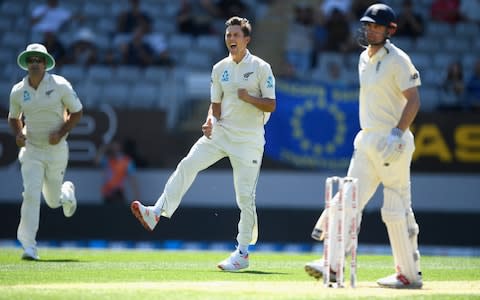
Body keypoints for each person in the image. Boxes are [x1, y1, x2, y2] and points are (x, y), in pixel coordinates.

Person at [130, 16, 276, 271]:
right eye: (228, 35)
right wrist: (210, 120)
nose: (231, 39)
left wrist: (249, 97)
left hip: (249, 140)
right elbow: (215, 105)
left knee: (245, 197)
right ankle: (156, 212)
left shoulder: (261, 67)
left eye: (236, 35)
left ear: (247, 39)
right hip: (220, 133)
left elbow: (271, 104)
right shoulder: (220, 68)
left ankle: (242, 252)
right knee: (188, 164)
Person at [304, 4, 423, 289]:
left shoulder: (398, 59)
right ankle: (332, 265)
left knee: (395, 208)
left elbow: (414, 99)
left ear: (390, 30)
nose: (370, 29)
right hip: (367, 140)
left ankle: (408, 274)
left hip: (392, 142)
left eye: (376, 26)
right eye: (367, 25)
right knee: (346, 200)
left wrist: (397, 133)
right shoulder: (362, 58)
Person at [8, 43, 83, 260]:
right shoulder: (18, 91)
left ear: (45, 63)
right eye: (31, 60)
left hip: (56, 150)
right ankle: (29, 246)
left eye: (38, 60)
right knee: (31, 193)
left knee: (52, 201)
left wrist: (60, 133)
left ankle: (66, 193)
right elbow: (14, 117)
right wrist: (19, 134)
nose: (34, 64)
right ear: (26, 64)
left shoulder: (60, 85)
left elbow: (77, 112)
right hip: (31, 150)